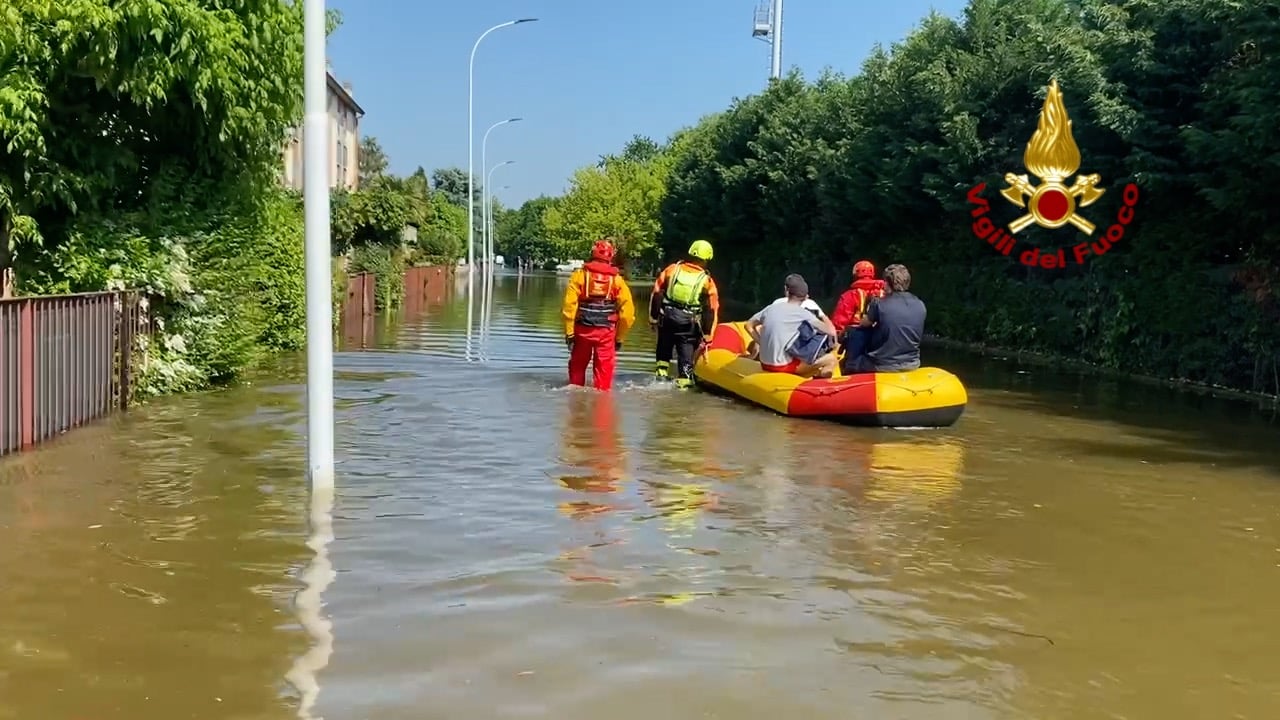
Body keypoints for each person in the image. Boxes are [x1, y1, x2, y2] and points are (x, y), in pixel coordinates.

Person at [562, 239, 636, 391]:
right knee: (604, 372)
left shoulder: (579, 276)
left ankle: (575, 401)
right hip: (606, 332)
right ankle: (602, 407)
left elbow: (569, 306)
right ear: (611, 257)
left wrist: (569, 333)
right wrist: (620, 337)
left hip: (582, 330)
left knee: (577, 367)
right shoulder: (617, 280)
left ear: (592, 254)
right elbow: (627, 314)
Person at [649, 239, 720, 388]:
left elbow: (656, 294)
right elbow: (712, 310)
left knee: (663, 353)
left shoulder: (672, 269)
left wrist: (653, 319)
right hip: (688, 326)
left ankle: (660, 377)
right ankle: (684, 385)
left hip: (667, 320)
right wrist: (709, 336)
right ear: (707, 260)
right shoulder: (707, 281)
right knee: (686, 360)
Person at [744, 273, 839, 377]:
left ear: (786, 290)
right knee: (831, 359)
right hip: (784, 366)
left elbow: (748, 325)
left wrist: (762, 343)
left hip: (764, 364)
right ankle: (822, 381)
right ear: (806, 296)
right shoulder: (804, 313)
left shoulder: (771, 308)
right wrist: (824, 317)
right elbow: (831, 331)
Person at [841, 263, 925, 374]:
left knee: (856, 332)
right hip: (912, 363)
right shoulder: (920, 304)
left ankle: (851, 367)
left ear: (887, 283)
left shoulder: (879, 304)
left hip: (882, 365)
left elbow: (863, 323)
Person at [832, 260, 888, 359]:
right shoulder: (885, 293)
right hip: (882, 339)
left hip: (857, 340)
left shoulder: (849, 295)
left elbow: (839, 323)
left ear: (855, 275)